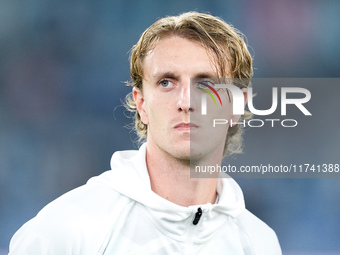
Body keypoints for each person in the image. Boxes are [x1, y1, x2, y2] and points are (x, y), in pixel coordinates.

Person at [9, 12, 281, 254]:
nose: (186, 101)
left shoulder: (259, 243)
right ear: (141, 104)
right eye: (166, 82)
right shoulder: (66, 232)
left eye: (206, 83)